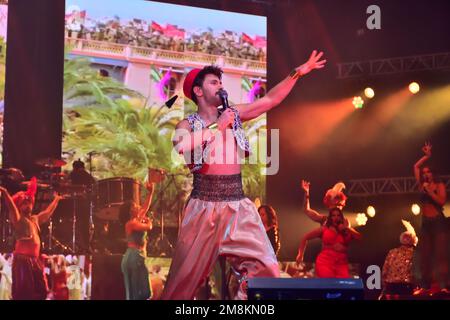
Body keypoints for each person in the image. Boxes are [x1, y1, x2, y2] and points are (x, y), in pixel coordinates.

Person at [162, 50, 326, 300]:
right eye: (213, 82)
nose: (220, 86)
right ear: (198, 91)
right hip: (203, 208)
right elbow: (181, 146)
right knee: (181, 285)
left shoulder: (233, 114)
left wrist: (297, 73)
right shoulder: (188, 124)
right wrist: (219, 126)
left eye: (221, 82)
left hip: (237, 205)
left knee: (268, 269)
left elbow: (269, 100)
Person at [0, 178, 62, 300]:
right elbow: (11, 207)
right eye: (24, 203)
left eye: (29, 202)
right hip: (22, 261)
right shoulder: (18, 219)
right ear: (19, 205)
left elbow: (48, 212)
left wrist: (57, 199)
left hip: (35, 260)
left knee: (41, 292)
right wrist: (5, 193)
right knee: (24, 293)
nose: (28, 205)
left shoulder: (35, 219)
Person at [413, 142, 448, 295]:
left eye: (428, 171)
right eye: (424, 172)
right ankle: (425, 286)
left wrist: (430, 191)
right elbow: (415, 167)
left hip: (438, 222)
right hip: (426, 222)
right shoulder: (422, 185)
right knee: (425, 255)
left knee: (440, 255)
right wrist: (426, 156)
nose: (425, 173)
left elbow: (441, 201)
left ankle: (443, 286)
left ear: (433, 173)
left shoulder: (438, 185)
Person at [296, 207, 361, 278]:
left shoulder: (346, 229)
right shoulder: (325, 228)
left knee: (342, 286)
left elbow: (359, 237)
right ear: (330, 217)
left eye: (338, 215)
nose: (336, 217)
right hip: (325, 261)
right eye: (333, 215)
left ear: (341, 217)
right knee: (328, 285)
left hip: (341, 263)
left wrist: (347, 228)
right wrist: (300, 254)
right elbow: (305, 237)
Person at [121, 181, 155, 300]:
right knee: (137, 292)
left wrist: (151, 192)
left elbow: (145, 206)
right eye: (135, 206)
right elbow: (149, 227)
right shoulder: (131, 224)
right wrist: (149, 221)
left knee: (143, 292)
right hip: (133, 256)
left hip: (138, 256)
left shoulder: (136, 219)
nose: (138, 206)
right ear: (130, 210)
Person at [380, 220, 418, 299]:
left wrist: (385, 283)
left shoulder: (392, 252)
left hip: (391, 287)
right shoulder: (415, 254)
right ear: (414, 241)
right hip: (406, 288)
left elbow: (384, 270)